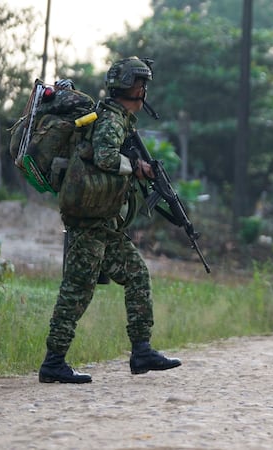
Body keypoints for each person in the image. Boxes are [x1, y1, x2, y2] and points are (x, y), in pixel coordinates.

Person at [38, 56, 181, 383]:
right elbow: (104, 157)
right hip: (89, 221)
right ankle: (53, 362)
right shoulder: (112, 120)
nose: (144, 90)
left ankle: (141, 351)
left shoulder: (118, 119)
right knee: (77, 289)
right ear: (132, 87)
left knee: (136, 274)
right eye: (141, 84)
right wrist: (137, 167)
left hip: (103, 221)